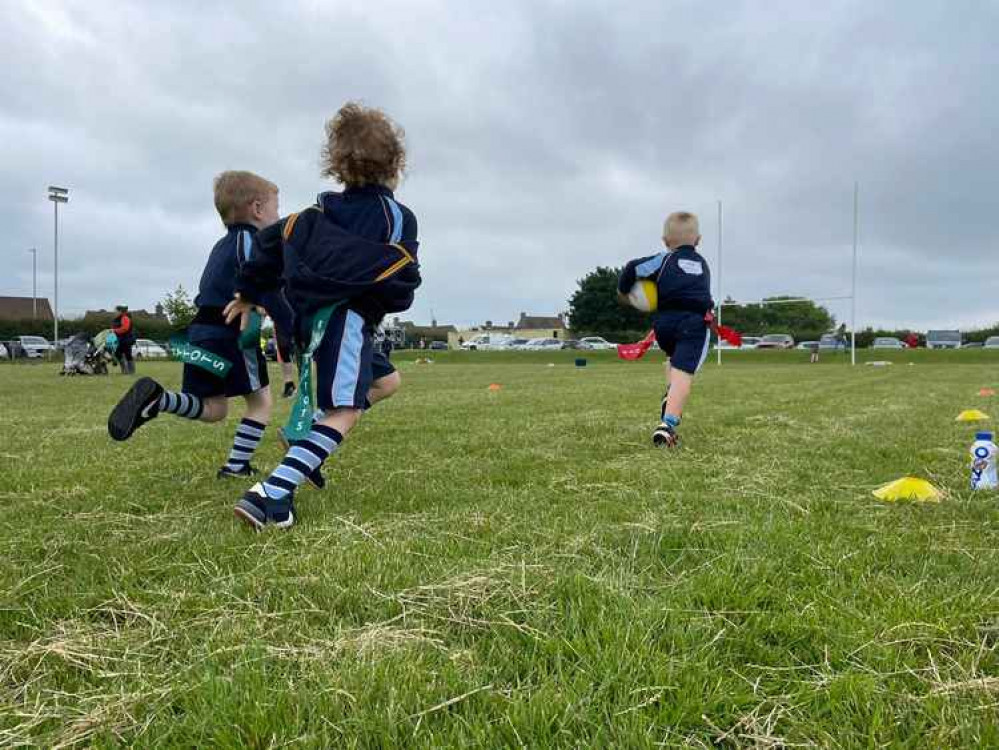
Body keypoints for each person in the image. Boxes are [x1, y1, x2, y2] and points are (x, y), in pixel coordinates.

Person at [225, 101, 420, 530]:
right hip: (346, 323)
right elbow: (400, 280)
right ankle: (271, 495)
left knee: (386, 381)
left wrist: (248, 292)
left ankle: (304, 435)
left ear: (337, 165)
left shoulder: (310, 217)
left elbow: (267, 249)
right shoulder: (398, 218)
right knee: (344, 412)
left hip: (309, 324)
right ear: (395, 164)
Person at [107, 171, 292, 480]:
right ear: (257, 209)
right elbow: (260, 277)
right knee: (261, 402)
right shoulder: (253, 241)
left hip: (198, 333)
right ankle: (235, 467)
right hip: (231, 333)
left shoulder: (220, 247)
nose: (278, 215)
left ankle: (158, 398)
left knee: (213, 409)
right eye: (276, 207)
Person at [618, 211, 713, 449]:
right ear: (698, 240)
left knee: (674, 359)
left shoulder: (662, 259)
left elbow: (632, 268)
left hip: (665, 325)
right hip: (694, 324)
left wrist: (624, 291)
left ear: (665, 241)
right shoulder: (703, 265)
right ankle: (667, 425)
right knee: (684, 373)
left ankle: (670, 396)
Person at [111, 305, 136, 374]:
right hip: (119, 339)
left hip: (126, 339)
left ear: (120, 311)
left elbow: (125, 328)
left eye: (115, 311)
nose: (114, 312)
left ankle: (131, 371)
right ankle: (125, 370)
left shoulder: (125, 318)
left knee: (128, 355)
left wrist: (114, 331)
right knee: (118, 354)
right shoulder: (116, 319)